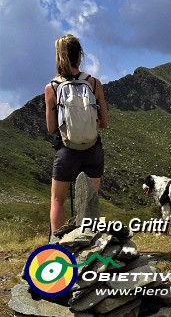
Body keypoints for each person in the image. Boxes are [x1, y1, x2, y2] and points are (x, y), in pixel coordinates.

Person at [43, 34, 109, 243]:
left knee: (57, 200)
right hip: (92, 150)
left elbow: (52, 128)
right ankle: (88, 246)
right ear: (80, 54)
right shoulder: (94, 83)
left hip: (67, 152)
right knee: (89, 202)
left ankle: (58, 250)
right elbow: (105, 122)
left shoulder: (52, 88)